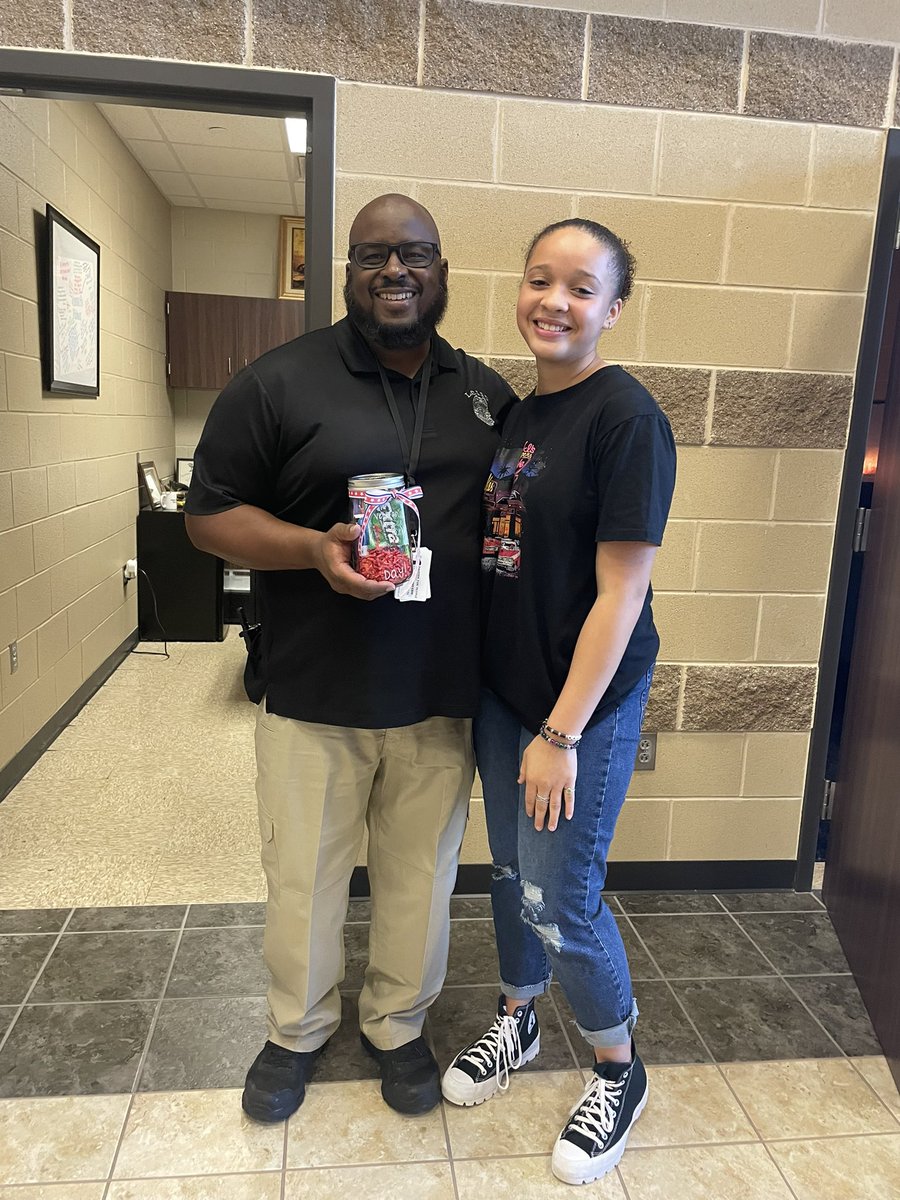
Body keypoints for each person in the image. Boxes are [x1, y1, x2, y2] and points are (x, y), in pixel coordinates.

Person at [184, 195, 516, 1123]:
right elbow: (207, 517)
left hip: (440, 693)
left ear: (442, 270)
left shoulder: (486, 394)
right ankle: (295, 1031)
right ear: (347, 272)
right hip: (313, 688)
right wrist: (311, 549)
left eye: (414, 254)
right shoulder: (277, 381)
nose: (395, 271)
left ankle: (398, 1027)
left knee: (421, 879)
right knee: (303, 879)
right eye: (373, 255)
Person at [440, 218, 676, 1185]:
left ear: (613, 309)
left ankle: (620, 1069)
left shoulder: (628, 421)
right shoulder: (520, 413)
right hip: (508, 695)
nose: (555, 301)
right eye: (541, 280)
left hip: (577, 709)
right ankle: (519, 1017)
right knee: (509, 877)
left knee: (560, 897)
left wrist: (561, 732)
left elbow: (622, 596)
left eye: (582, 287)